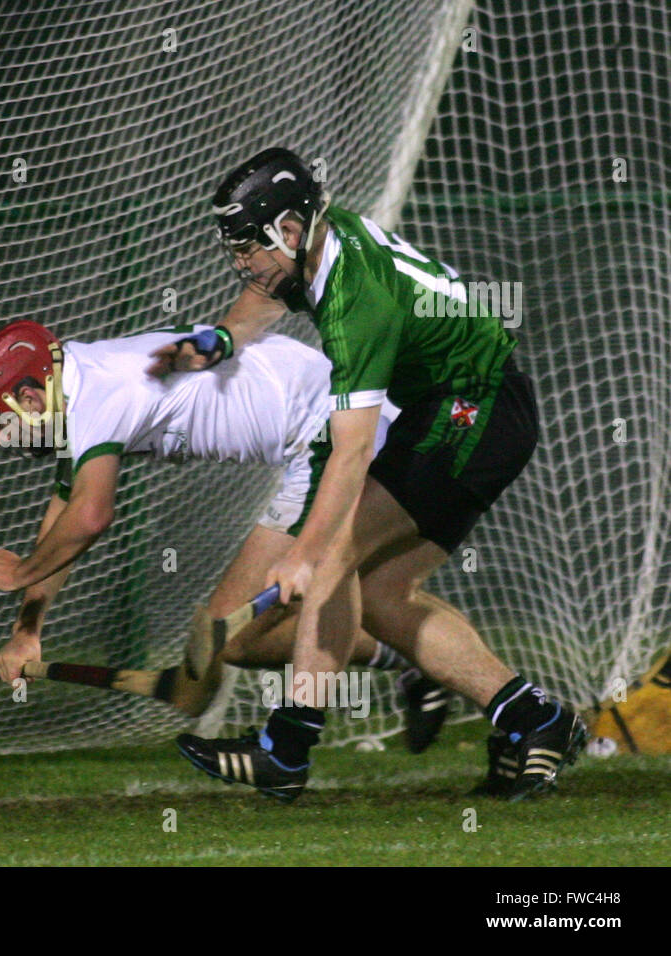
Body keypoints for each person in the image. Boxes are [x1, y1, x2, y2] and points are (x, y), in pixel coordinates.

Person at [152, 147, 585, 800]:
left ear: (288, 232)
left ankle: (286, 750)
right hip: (468, 410)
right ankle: (534, 717)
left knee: (331, 561)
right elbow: (261, 300)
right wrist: (220, 340)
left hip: (474, 411)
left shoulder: (357, 300)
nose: (240, 261)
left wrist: (305, 553)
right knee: (382, 598)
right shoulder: (317, 245)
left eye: (247, 246)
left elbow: (351, 453)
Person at [0, 320, 453, 777]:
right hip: (324, 432)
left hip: (331, 439)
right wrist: (28, 629)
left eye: (0, 422)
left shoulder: (97, 391)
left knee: (235, 636)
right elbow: (65, 510)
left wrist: (20, 573)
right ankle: (416, 661)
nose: (1, 439)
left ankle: (285, 756)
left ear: (29, 396)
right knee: (243, 638)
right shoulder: (78, 385)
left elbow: (91, 516)